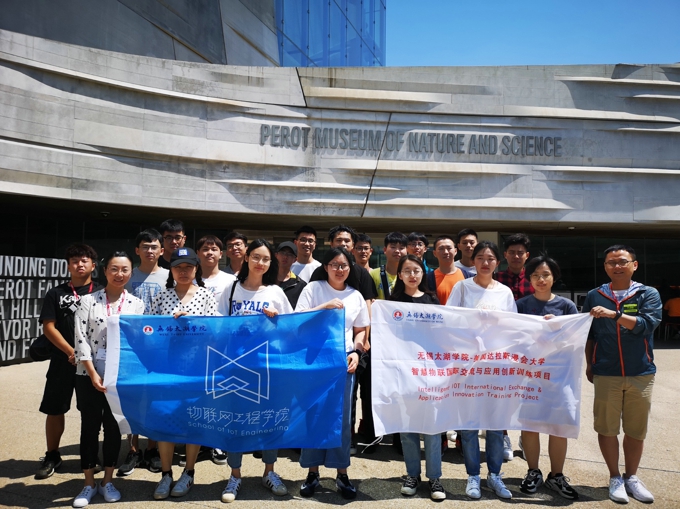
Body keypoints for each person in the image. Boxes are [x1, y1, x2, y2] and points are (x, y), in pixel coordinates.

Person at [583, 245, 661, 504]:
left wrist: (615, 314)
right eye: (611, 262)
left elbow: (646, 325)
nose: (617, 266)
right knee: (607, 427)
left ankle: (632, 477)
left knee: (636, 429)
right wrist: (590, 364)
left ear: (634, 265)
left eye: (622, 261)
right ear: (605, 267)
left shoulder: (647, 293)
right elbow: (589, 334)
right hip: (606, 372)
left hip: (641, 371)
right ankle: (615, 477)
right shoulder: (595, 295)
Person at [216, 239, 294, 503]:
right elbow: (216, 324)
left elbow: (290, 329)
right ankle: (235, 475)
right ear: (247, 257)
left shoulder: (275, 292)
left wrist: (276, 320)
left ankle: (269, 471)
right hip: (235, 366)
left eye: (266, 259)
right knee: (235, 420)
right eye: (256, 257)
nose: (261, 263)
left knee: (269, 419)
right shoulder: (231, 289)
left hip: (268, 367)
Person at [295, 247, 369, 500]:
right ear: (325, 267)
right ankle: (312, 472)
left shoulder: (356, 295)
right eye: (335, 264)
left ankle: (342, 473)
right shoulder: (313, 289)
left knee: (342, 419)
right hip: (313, 360)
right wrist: (324, 306)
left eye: (344, 265)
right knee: (313, 414)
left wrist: (357, 352)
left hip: (342, 361)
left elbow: (360, 330)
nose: (340, 269)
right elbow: (296, 318)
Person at [72, 252, 145, 508]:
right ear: (105, 271)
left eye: (124, 270)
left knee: (114, 428)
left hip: (119, 379)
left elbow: (138, 342)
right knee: (89, 427)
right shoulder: (87, 301)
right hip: (88, 375)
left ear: (131, 273)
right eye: (114, 269)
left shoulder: (137, 304)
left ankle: (108, 480)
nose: (119, 274)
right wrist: (93, 373)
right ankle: (88, 483)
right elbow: (80, 339)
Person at [446, 241, 516, 500]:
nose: (485, 263)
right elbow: (449, 321)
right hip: (468, 365)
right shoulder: (462, 287)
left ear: (498, 262)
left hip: (496, 366)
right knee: (469, 424)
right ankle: (473, 475)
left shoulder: (505, 292)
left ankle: (495, 475)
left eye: (490, 258)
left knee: (496, 424)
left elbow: (514, 326)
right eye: (480, 258)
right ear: (473, 261)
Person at [150, 247, 218, 500]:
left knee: (194, 420)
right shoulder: (161, 296)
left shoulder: (206, 296)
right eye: (178, 267)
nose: (183, 271)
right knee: (165, 419)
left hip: (196, 369)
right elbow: (149, 330)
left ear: (196, 269)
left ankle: (189, 472)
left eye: (188, 267)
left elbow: (216, 330)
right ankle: (166, 474)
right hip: (166, 370)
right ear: (171, 270)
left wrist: (194, 322)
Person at [36, 244, 102, 480]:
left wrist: (84, 355)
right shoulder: (56, 293)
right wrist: (70, 351)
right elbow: (48, 327)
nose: (79, 264)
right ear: (68, 266)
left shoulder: (101, 291)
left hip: (93, 363)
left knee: (92, 411)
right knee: (54, 408)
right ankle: (52, 455)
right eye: (75, 261)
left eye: (84, 260)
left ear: (93, 265)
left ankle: (91, 455)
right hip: (62, 360)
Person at [516, 255, 579, 499]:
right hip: (530, 374)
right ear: (529, 279)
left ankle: (556, 475)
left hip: (559, 375)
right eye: (535, 275)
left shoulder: (566, 307)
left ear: (554, 277)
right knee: (529, 425)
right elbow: (513, 338)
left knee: (558, 425)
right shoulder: (521, 305)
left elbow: (576, 340)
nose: (540, 280)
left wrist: (559, 327)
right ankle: (533, 471)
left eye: (546, 275)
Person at [389, 255, 445, 501]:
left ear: (423, 274)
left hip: (428, 372)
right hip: (403, 373)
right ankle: (412, 474)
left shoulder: (432, 301)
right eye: (407, 271)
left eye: (416, 270)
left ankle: (435, 477)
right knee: (407, 427)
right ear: (400, 275)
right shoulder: (392, 303)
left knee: (432, 427)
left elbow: (442, 336)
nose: (412, 275)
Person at [120, 229, 168, 475]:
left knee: (155, 397)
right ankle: (133, 449)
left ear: (162, 250)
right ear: (137, 250)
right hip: (131, 346)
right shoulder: (128, 275)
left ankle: (152, 448)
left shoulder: (170, 275)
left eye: (154, 246)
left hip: (159, 348)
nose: (150, 251)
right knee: (132, 397)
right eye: (145, 246)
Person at [427, 235, 471, 305]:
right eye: (441, 249)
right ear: (434, 253)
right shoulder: (428, 279)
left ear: (455, 251)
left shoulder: (469, 277)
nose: (446, 252)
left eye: (449, 248)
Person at [196, 235, 236, 303]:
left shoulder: (231, 280)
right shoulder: (189, 281)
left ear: (221, 254)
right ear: (198, 254)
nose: (210, 252)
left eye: (214, 249)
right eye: (205, 249)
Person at [370, 232, 408, 300]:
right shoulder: (373, 274)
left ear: (407, 251)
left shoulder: (411, 275)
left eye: (401, 248)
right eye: (393, 247)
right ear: (385, 250)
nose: (397, 251)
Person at [496, 233, 534, 301]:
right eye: (512, 252)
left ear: (527, 255)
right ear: (505, 255)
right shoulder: (496, 278)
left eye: (520, 253)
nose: (516, 256)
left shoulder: (534, 279)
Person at [276, 241, 307, 308]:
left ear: (295, 260)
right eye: (282, 253)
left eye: (290, 254)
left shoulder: (300, 285)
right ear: (276, 255)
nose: (285, 256)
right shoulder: (266, 279)